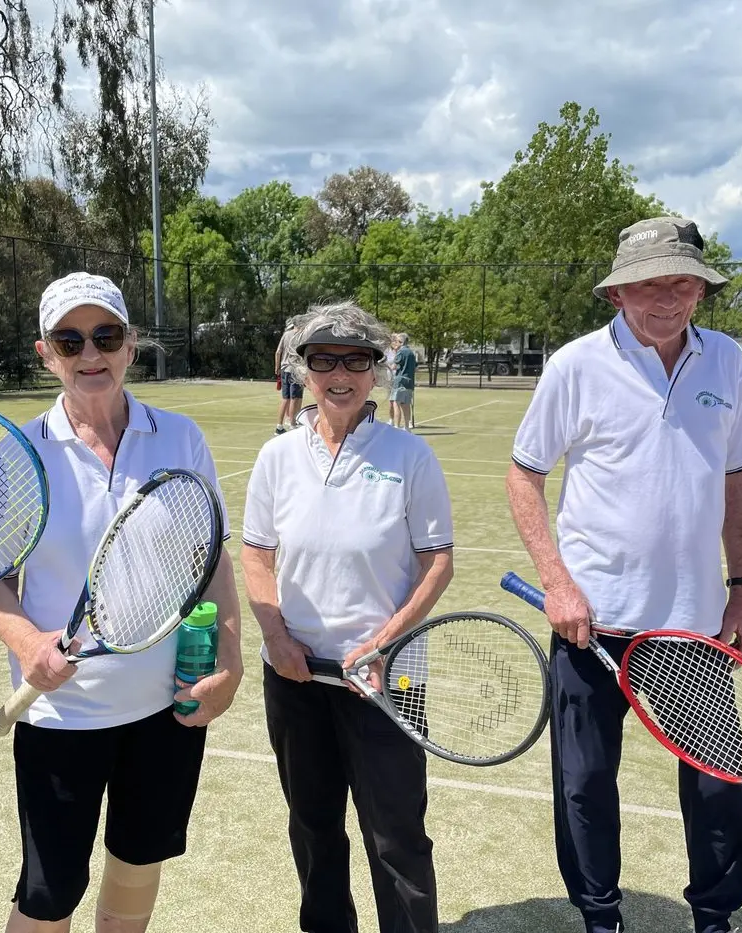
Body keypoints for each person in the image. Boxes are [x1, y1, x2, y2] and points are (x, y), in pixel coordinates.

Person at [506, 216, 742, 933]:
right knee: (584, 785)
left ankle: (715, 915)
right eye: (649, 283)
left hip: (695, 621)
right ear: (619, 293)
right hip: (592, 625)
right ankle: (600, 915)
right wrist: (558, 582)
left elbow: (738, 477)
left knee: (716, 784)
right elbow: (524, 477)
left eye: (682, 281)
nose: (667, 296)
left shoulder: (727, 361)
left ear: (701, 291)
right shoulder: (575, 365)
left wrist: (740, 589)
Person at [0, 272, 243, 933]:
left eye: (105, 336)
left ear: (131, 345)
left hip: (165, 707)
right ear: (46, 353)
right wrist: (29, 643)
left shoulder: (179, 438)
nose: (89, 353)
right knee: (48, 892)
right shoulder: (22, 453)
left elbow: (211, 564)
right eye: (70, 340)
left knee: (136, 867)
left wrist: (229, 662)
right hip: (60, 716)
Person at [240, 301, 455, 933]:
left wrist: (386, 643)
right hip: (296, 677)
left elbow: (436, 562)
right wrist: (277, 638)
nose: (340, 374)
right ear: (303, 370)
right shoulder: (277, 458)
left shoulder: (411, 457)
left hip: (386, 682)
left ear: (376, 370)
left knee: (397, 835)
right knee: (313, 829)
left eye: (356, 360)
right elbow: (255, 555)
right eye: (325, 359)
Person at [276, 317, 304, 433]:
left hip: (284, 368)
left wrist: (277, 367)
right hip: (295, 369)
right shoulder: (301, 336)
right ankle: (292, 424)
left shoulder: (286, 334)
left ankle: (279, 426)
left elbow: (278, 352)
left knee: (285, 398)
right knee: (294, 398)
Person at [391, 333, 418, 431]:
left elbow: (394, 366)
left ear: (401, 342)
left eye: (397, 341)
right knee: (406, 404)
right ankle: (407, 426)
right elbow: (416, 368)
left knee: (396, 403)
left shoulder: (401, 352)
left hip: (400, 380)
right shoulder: (411, 352)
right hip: (409, 382)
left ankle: (397, 427)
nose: (395, 343)